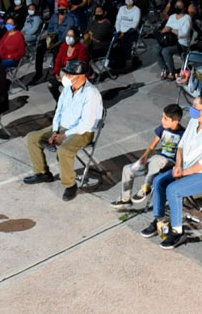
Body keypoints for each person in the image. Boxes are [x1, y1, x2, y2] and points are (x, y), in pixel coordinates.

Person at [140, 94, 202, 249]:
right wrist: (179, 165)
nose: (192, 110)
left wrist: (184, 173)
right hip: (186, 167)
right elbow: (181, 145)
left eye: (196, 107)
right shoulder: (194, 121)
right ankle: (160, 220)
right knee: (158, 181)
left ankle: (177, 232)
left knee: (173, 190)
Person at [23, 60, 103, 201]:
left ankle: (70, 185)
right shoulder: (67, 89)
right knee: (32, 138)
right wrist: (55, 131)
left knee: (64, 150)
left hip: (82, 132)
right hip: (62, 128)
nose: (64, 76)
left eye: (68, 73)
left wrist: (64, 135)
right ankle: (42, 173)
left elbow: (86, 123)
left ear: (79, 75)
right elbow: (58, 111)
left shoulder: (91, 94)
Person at [110, 104, 185, 209]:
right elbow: (153, 145)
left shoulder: (183, 134)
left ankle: (146, 187)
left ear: (175, 121)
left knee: (158, 159)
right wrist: (144, 157)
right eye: (162, 117)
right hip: (156, 164)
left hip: (169, 165)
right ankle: (125, 199)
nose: (162, 120)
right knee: (127, 169)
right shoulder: (162, 129)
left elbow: (183, 155)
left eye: (166, 119)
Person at [33, 0, 75, 82]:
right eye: (59, 6)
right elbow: (50, 29)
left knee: (57, 52)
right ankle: (38, 72)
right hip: (53, 38)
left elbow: (65, 35)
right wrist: (49, 41)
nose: (61, 8)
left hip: (63, 41)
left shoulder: (70, 19)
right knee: (40, 49)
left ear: (67, 8)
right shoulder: (54, 16)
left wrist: (54, 44)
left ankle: (55, 74)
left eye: (63, 7)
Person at [48, 27, 89, 101]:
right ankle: (60, 101)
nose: (68, 38)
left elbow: (80, 66)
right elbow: (58, 60)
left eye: (71, 36)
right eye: (67, 35)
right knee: (51, 85)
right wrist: (57, 72)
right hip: (63, 73)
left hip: (75, 75)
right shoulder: (64, 46)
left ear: (76, 38)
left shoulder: (82, 48)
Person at [156, 0, 192, 80]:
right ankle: (165, 69)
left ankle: (172, 72)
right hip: (169, 40)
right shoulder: (172, 16)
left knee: (165, 51)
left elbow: (184, 33)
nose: (177, 7)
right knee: (156, 49)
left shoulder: (187, 18)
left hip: (181, 43)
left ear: (184, 8)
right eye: (176, 6)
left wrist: (171, 29)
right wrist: (164, 30)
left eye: (179, 6)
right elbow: (167, 27)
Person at [113, 0, 140, 69]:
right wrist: (119, 31)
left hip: (131, 32)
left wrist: (124, 33)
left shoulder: (136, 10)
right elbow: (118, 20)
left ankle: (128, 61)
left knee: (125, 42)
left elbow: (135, 24)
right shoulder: (122, 8)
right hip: (120, 31)